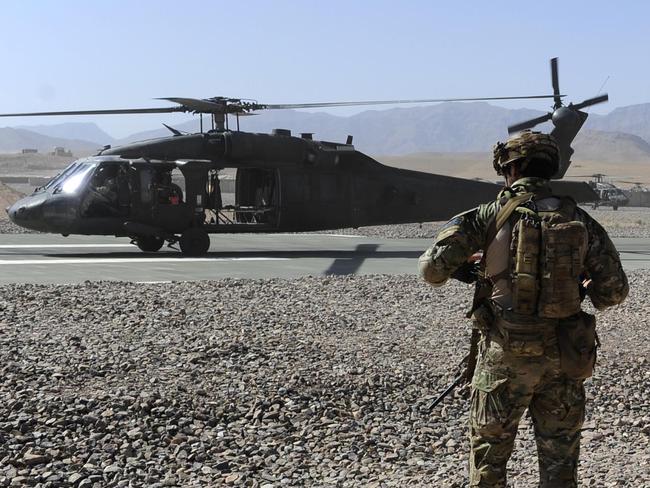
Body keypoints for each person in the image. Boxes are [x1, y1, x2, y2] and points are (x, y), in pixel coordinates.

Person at [418, 131, 628, 487]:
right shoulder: (581, 220)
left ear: (510, 168)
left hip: (505, 358)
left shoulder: (487, 215)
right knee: (560, 461)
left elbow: (431, 271)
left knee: (489, 460)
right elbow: (614, 292)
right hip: (565, 359)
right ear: (551, 169)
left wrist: (469, 271)